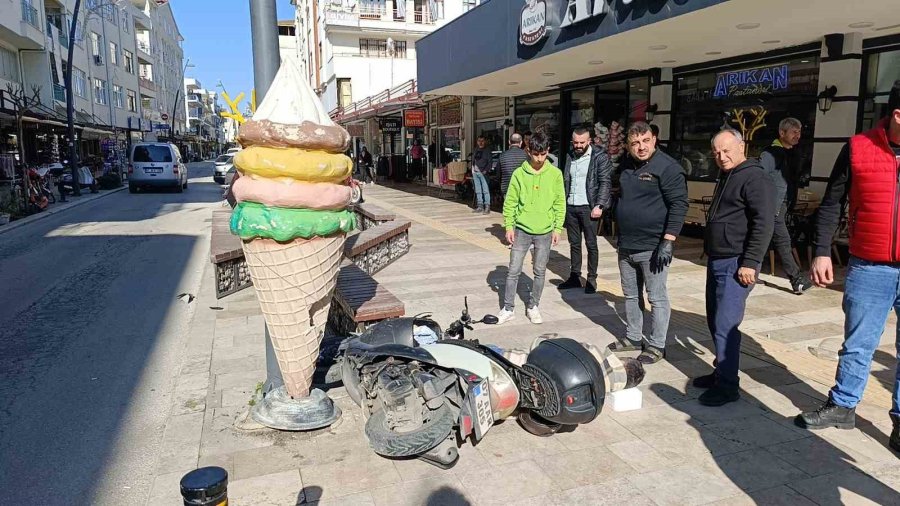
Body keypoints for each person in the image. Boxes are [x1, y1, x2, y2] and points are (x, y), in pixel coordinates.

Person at [795, 82, 900, 454]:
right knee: (858, 344)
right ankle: (843, 406)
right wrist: (822, 251)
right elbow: (832, 202)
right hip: (870, 265)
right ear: (897, 116)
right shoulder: (858, 147)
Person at [694, 128, 774, 407]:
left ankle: (728, 387)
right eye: (716, 152)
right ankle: (721, 372)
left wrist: (751, 262)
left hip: (737, 262)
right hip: (718, 258)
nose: (721, 156)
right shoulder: (727, 174)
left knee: (726, 324)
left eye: (727, 150)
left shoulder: (754, 177)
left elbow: (764, 223)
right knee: (715, 320)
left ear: (742, 147)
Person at [607, 122, 687, 364]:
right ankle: (633, 337)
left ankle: (657, 345)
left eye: (645, 141)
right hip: (626, 245)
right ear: (629, 146)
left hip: (653, 247)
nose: (641, 147)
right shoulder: (626, 165)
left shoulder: (668, 167)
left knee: (656, 297)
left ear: (654, 139)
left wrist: (669, 240)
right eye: (635, 143)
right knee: (630, 295)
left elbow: (679, 204)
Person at [498, 132, 565, 325]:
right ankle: (508, 308)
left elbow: (560, 203)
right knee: (513, 270)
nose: (539, 159)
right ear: (528, 151)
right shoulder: (520, 174)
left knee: (540, 271)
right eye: (535, 154)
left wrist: (557, 228)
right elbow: (510, 201)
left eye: (543, 154)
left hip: (544, 231)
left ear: (548, 151)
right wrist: (509, 225)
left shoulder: (555, 174)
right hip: (521, 229)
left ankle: (533, 305)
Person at [760, 118, 814, 294]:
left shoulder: (794, 153)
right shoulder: (771, 154)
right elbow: (760, 177)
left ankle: (746, 267)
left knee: (765, 238)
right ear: (782, 133)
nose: (797, 136)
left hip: (783, 204)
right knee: (782, 239)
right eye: (793, 132)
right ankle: (796, 278)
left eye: (799, 132)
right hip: (772, 205)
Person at [558, 127, 612, 294]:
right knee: (574, 243)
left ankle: (591, 279)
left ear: (589, 141)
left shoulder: (599, 157)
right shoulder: (569, 156)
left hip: (589, 207)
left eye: (582, 142)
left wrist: (600, 205)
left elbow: (605, 182)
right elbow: (565, 179)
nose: (579, 145)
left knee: (591, 244)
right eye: (576, 142)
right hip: (571, 205)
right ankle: (575, 276)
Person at [499, 133, 529, 199]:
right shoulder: (526, 155)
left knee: (508, 208)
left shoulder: (502, 155)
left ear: (509, 142)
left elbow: (498, 173)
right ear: (521, 142)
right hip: (522, 187)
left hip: (507, 187)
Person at [471, 136, 492, 214]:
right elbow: (473, 160)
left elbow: (490, 162)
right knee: (478, 190)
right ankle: (480, 206)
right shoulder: (475, 149)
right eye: (479, 140)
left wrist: (486, 171)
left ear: (485, 141)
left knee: (485, 190)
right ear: (477, 141)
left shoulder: (487, 150)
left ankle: (487, 207)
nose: (481, 142)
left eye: (482, 141)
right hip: (475, 172)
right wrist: (472, 169)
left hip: (483, 173)